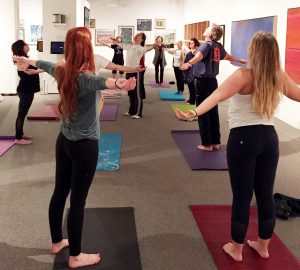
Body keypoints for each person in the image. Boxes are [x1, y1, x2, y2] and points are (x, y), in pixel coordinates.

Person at [13, 27, 137, 269]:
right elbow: (105, 81)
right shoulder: (86, 77)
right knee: (78, 201)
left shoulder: (62, 70)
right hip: (85, 146)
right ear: (86, 48)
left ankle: (57, 241)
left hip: (65, 142)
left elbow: (44, 63)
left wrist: (25, 60)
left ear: (69, 48)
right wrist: (120, 83)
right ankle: (76, 256)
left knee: (60, 191)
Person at [175, 31, 300, 262]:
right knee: (264, 194)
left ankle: (236, 248)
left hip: (244, 140)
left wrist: (193, 112)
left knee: (242, 196)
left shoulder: (243, 75)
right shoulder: (278, 76)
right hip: (269, 139)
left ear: (254, 51)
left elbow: (216, 97)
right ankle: (263, 246)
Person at [181, 23, 246, 151]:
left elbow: (198, 56)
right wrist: (240, 61)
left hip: (202, 82)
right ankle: (215, 142)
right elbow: (227, 57)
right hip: (213, 81)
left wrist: (188, 63)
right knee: (213, 111)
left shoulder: (205, 45)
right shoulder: (218, 46)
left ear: (210, 34)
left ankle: (206, 144)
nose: (205, 30)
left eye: (207, 29)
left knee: (202, 111)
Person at [111, 32, 155, 118]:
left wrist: (154, 45)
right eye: (137, 35)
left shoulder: (140, 48)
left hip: (136, 73)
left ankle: (138, 113)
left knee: (137, 93)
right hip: (128, 72)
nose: (136, 36)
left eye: (139, 36)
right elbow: (121, 44)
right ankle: (131, 111)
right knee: (130, 92)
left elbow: (148, 48)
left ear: (141, 39)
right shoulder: (130, 46)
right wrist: (115, 41)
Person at [11, 40, 44, 145]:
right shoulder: (21, 61)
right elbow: (25, 70)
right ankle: (18, 138)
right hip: (25, 91)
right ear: (21, 47)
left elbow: (32, 67)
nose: (27, 45)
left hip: (27, 90)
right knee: (21, 114)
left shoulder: (23, 59)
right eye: (25, 44)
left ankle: (20, 133)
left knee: (23, 114)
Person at [182, 38, 200, 104]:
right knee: (190, 86)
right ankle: (191, 99)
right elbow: (186, 61)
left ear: (196, 44)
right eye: (190, 43)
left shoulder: (197, 52)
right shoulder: (189, 53)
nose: (190, 44)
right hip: (189, 71)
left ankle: (192, 101)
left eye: (192, 43)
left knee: (193, 87)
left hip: (195, 72)